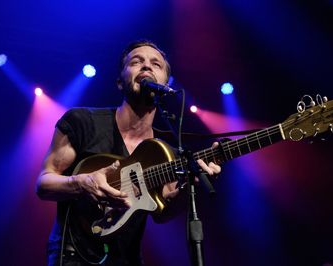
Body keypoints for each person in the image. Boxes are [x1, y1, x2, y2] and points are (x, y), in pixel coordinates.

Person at [36, 40, 221, 266]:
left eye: (156, 64)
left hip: (128, 259)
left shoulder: (165, 151)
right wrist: (81, 182)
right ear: (119, 83)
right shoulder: (81, 121)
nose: (146, 67)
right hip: (74, 254)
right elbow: (44, 184)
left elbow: (162, 214)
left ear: (165, 84)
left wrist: (190, 187)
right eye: (136, 62)